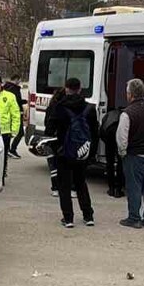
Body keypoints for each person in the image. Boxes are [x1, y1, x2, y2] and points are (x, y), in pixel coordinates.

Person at [45, 77, 98, 228]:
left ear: (66, 89)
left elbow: (49, 129)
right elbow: (95, 133)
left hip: (63, 152)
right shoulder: (89, 108)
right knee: (81, 183)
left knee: (64, 185)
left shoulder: (59, 107)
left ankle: (68, 218)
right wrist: (90, 153)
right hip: (82, 152)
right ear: (80, 89)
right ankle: (88, 216)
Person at [117, 78, 144, 230]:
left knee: (134, 187)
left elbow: (122, 137)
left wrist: (123, 153)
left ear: (130, 94)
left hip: (136, 155)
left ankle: (134, 218)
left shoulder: (127, 113)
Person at [0, 75, 20, 181]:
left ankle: (1, 175)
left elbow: (15, 114)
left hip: (4, 132)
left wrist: (14, 131)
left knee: (3, 156)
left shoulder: (10, 96)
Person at [100, 106, 124, 198]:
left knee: (109, 163)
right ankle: (118, 190)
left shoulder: (107, 115)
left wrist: (106, 141)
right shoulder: (123, 115)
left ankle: (111, 189)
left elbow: (102, 130)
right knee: (120, 162)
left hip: (109, 133)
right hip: (119, 134)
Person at [4, 75, 26, 159]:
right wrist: (26, 101)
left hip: (8, 113)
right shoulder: (14, 89)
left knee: (9, 132)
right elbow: (17, 101)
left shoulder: (7, 87)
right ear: (16, 79)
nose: (19, 82)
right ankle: (12, 150)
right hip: (15, 113)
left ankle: (8, 149)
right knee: (20, 133)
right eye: (19, 80)